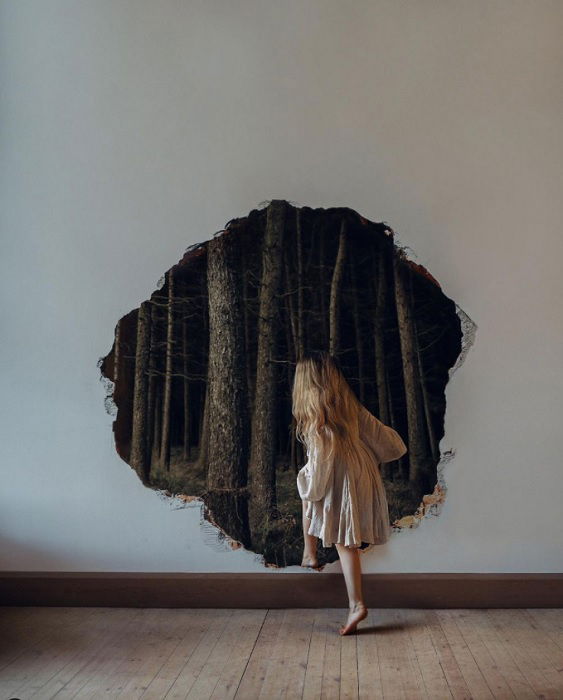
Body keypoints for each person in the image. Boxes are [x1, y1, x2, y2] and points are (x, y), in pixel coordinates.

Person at [292, 350, 408, 635]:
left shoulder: (316, 418)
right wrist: (371, 457)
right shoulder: (349, 405)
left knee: (310, 497)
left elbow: (317, 480)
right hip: (362, 471)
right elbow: (385, 439)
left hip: (339, 478)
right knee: (347, 542)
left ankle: (314, 558)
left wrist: (304, 481)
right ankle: (317, 562)